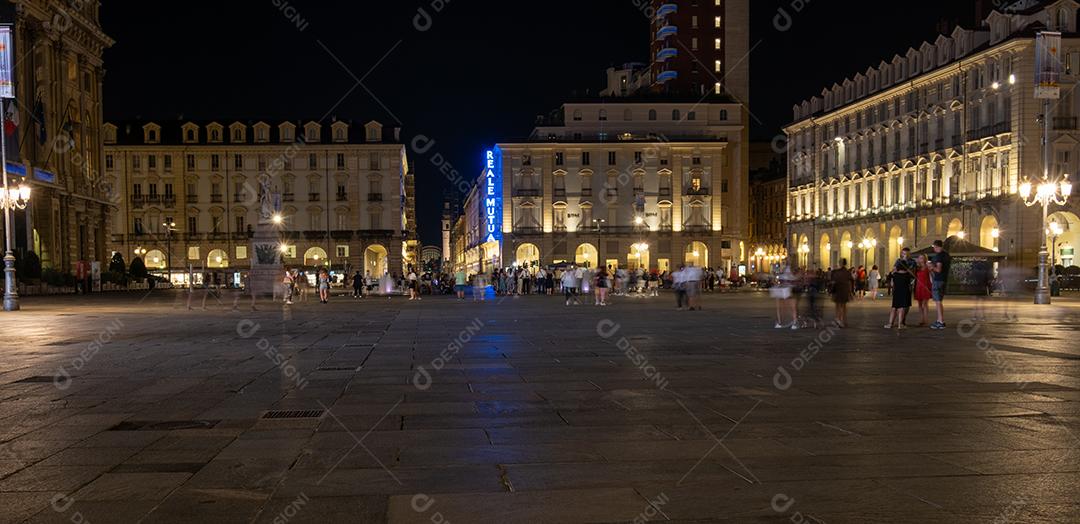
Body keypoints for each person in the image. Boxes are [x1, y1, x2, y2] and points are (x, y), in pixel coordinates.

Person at [885, 259, 913, 329]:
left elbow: (888, 277)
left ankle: (890, 323)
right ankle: (900, 324)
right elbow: (913, 277)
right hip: (905, 292)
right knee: (902, 308)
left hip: (896, 292)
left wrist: (892, 271)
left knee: (894, 308)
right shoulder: (907, 275)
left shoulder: (895, 274)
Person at [929, 239, 951, 329]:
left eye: (934, 247)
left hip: (938, 280)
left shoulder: (939, 256)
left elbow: (938, 269)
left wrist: (931, 266)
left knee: (938, 302)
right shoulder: (946, 255)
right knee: (939, 301)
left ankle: (940, 321)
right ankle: (939, 320)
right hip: (944, 279)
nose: (934, 249)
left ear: (936, 246)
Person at [829, 259, 854, 327]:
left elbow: (833, 281)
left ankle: (839, 320)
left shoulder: (837, 272)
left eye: (840, 262)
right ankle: (843, 320)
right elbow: (851, 281)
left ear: (841, 263)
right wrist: (851, 292)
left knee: (838, 306)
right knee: (843, 306)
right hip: (844, 291)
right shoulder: (847, 272)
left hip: (839, 290)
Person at [913, 254, 933, 326]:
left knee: (925, 304)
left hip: (925, 286)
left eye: (922, 258)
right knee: (919, 304)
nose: (921, 259)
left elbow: (932, 275)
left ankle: (926, 320)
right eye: (919, 258)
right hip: (919, 287)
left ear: (925, 259)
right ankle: (921, 320)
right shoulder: (917, 267)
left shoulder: (928, 266)